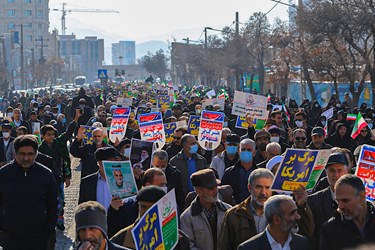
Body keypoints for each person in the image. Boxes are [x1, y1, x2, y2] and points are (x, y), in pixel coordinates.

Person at [0, 135, 58, 249]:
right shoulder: (3, 175)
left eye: (30, 154)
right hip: (9, 239)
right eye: (22, 154)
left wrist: (48, 230)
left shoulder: (46, 175)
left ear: (36, 154)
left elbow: (53, 204)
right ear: (15, 153)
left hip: (38, 239)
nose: (26, 158)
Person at [297, 152, 351, 250]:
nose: (336, 175)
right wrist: (301, 206)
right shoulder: (313, 200)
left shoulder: (356, 200)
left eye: (340, 170)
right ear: (326, 172)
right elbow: (307, 232)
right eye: (332, 170)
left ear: (346, 172)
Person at [218, 169, 274, 250]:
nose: (263, 192)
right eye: (259, 187)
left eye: (267, 187)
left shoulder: (280, 214)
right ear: (249, 188)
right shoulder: (234, 215)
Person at [107, 169, 169, 238]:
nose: (164, 187)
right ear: (148, 184)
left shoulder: (169, 206)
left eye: (165, 184)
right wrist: (113, 211)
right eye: (161, 185)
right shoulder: (127, 208)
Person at [180, 169, 232, 250]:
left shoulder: (228, 210)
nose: (215, 191)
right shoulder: (187, 218)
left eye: (216, 186)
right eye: (210, 188)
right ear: (199, 191)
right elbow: (189, 246)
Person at [320, 174, 375, 249]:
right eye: (338, 201)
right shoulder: (330, 229)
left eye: (345, 200)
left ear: (361, 197)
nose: (340, 206)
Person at [238, 195, 309, 250]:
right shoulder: (249, 248)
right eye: (292, 213)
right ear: (276, 219)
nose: (298, 217)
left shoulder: (302, 243)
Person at [222, 138, 258, 204]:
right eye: (243, 149)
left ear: (254, 153)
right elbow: (223, 193)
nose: (246, 152)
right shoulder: (229, 172)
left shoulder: (259, 173)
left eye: (249, 150)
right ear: (239, 151)